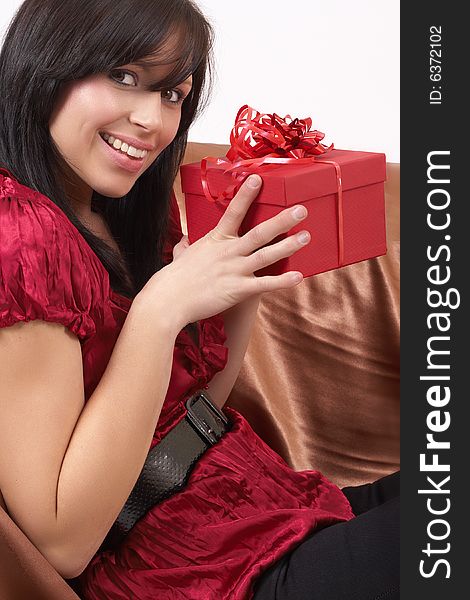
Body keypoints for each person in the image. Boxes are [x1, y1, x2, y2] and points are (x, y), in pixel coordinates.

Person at [0, 1, 399, 598]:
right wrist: (159, 312)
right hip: (198, 577)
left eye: (171, 95)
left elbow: (194, 414)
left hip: (272, 511)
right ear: (46, 64)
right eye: (125, 77)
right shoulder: (20, 232)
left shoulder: (121, 206)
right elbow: (62, 542)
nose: (151, 121)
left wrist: (243, 275)